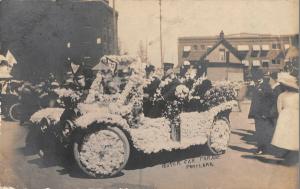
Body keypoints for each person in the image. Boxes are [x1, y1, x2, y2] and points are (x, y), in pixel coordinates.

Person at [271, 73, 299, 153]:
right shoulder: (297, 95)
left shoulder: (281, 95)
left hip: (285, 115)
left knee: (288, 132)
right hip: (295, 114)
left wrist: (282, 116)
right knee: (294, 132)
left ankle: (289, 149)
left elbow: (279, 108)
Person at [248, 70, 273, 154]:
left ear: (261, 78)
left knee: (263, 132)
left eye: (257, 78)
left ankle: (263, 149)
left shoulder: (266, 86)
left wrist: (265, 113)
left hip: (263, 113)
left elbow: (269, 101)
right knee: (258, 131)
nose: (256, 80)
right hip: (257, 113)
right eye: (255, 79)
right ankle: (260, 148)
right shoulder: (256, 86)